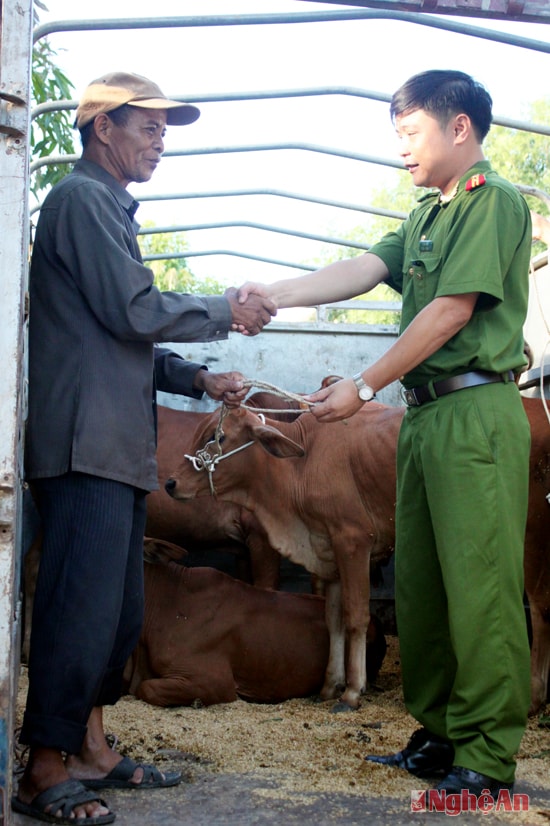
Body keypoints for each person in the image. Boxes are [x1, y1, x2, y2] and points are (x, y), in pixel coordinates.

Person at [239, 70, 532, 800]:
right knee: (425, 586)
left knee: (481, 588)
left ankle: (489, 756)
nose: (400, 149)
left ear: (458, 127)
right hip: (426, 415)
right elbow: (365, 268)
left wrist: (363, 386)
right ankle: (435, 733)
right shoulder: (428, 217)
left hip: (474, 412)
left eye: (410, 133)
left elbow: (451, 313)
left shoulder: (491, 203)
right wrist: (276, 293)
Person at [14, 71, 275, 825]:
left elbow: (118, 335)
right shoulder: (81, 201)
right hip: (83, 446)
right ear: (103, 128)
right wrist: (223, 309)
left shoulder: (108, 212)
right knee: (77, 611)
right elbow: (132, 310)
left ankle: (92, 746)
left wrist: (193, 373)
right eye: (149, 128)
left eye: (165, 131)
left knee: (116, 614)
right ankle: (44, 767)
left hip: (116, 449)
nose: (160, 142)